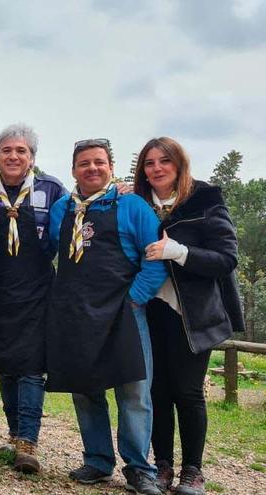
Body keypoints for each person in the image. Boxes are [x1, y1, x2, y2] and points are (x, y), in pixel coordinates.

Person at [45, 139, 166, 494]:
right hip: (76, 314)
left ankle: (140, 467)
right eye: (84, 163)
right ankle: (97, 460)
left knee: (134, 392)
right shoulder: (61, 210)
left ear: (111, 168)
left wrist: (134, 299)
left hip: (123, 312)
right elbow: (51, 250)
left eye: (99, 162)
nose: (92, 168)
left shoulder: (133, 206)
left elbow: (155, 257)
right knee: (85, 390)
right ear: (73, 170)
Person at [133, 137, 243, 495]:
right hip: (151, 310)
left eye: (164, 161)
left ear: (179, 164)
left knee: (188, 392)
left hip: (191, 314)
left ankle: (192, 471)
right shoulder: (138, 204)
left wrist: (179, 252)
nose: (157, 168)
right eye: (149, 163)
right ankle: (162, 465)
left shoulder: (205, 201)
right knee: (157, 391)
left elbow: (226, 259)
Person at [0, 124, 66, 473]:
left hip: (37, 290)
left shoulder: (52, 189)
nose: (13, 156)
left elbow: (81, 214)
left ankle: (28, 441)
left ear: (32, 158)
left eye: (21, 151)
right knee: (5, 366)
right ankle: (13, 433)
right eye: (6, 150)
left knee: (30, 368)